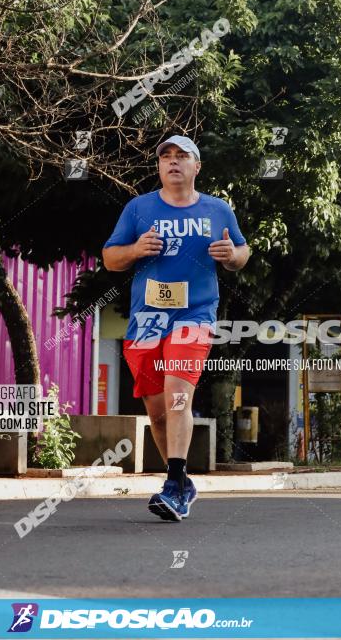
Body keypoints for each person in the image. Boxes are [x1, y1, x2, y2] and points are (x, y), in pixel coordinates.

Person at [102, 135, 249, 521]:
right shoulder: (138, 209)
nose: (173, 162)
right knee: (157, 410)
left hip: (195, 316)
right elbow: (110, 258)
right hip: (147, 319)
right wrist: (135, 250)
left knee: (177, 395)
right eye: (165, 156)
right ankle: (181, 486)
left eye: (182, 156)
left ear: (196, 167)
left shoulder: (218, 210)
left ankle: (173, 482)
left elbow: (242, 251)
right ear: (159, 167)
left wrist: (231, 255)